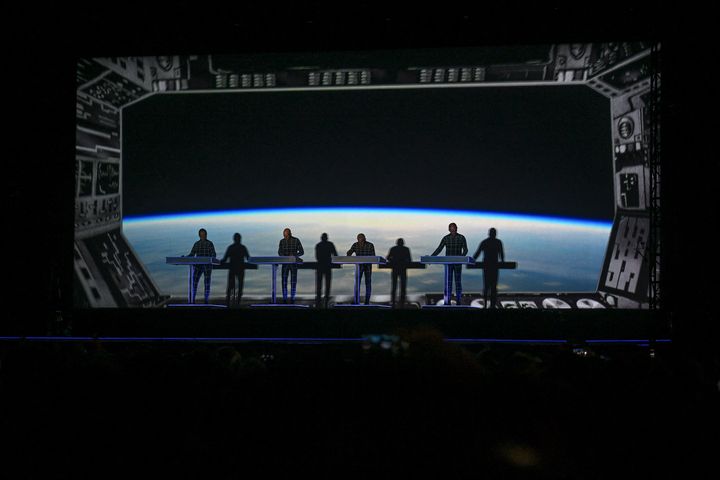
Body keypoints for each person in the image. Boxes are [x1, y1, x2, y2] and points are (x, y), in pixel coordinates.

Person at [431, 222, 468, 305]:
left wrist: (461, 258)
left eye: (454, 228)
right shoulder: (446, 238)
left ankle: (458, 300)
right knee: (449, 282)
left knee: (457, 282)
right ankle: (448, 300)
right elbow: (439, 249)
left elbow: (465, 250)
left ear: (456, 228)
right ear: (449, 229)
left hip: (457, 263)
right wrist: (432, 257)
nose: (453, 230)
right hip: (449, 264)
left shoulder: (461, 237)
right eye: (451, 228)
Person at [473, 228, 505, 309]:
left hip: (487, 266)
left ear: (489, 233)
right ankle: (492, 305)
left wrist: (472, 261)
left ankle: (486, 304)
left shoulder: (485, 242)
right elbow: (501, 254)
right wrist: (502, 262)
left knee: (487, 286)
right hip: (494, 266)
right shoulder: (498, 242)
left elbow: (477, 253)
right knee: (493, 287)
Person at [221, 233, 250, 307]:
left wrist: (218, 262)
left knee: (230, 286)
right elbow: (248, 258)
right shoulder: (243, 247)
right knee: (240, 286)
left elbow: (224, 259)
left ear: (234, 239)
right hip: (240, 269)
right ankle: (238, 302)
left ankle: (228, 302)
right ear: (240, 239)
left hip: (232, 269)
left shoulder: (230, 247)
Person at [188, 228, 216, 304]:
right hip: (198, 266)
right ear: (199, 235)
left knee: (207, 283)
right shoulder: (196, 244)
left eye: (204, 235)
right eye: (202, 235)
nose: (203, 236)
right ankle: (192, 299)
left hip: (207, 266)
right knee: (194, 282)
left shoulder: (210, 243)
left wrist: (212, 259)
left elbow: (213, 254)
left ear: (206, 235)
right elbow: (191, 254)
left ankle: (206, 300)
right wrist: (185, 258)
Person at [346, 233, 375, 305]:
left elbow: (373, 256)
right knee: (357, 283)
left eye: (362, 238)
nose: (361, 239)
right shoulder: (355, 245)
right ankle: (356, 300)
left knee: (367, 283)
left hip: (367, 266)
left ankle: (367, 302)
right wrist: (349, 253)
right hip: (359, 266)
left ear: (365, 238)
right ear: (357, 239)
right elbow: (349, 253)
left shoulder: (370, 245)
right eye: (359, 238)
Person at [278, 228, 304, 304]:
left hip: (293, 264)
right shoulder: (282, 241)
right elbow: (279, 252)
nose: (285, 237)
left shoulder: (296, 240)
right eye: (284, 236)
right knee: (284, 281)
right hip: (285, 264)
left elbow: (302, 252)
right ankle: (285, 298)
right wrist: (285, 257)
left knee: (293, 281)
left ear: (290, 234)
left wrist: (294, 255)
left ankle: (292, 298)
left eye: (287, 235)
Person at [387, 238, 411, 308]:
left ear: (396, 243)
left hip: (395, 269)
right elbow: (409, 260)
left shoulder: (393, 249)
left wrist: (393, 260)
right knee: (403, 286)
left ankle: (393, 301)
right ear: (403, 243)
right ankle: (402, 301)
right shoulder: (406, 249)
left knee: (394, 286)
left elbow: (388, 258)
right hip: (403, 269)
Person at [315, 233, 338, 308]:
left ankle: (318, 298)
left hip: (320, 265)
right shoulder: (330, 244)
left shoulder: (318, 245)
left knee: (319, 283)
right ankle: (326, 297)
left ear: (321, 238)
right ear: (327, 238)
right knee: (327, 283)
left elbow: (317, 257)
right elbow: (335, 254)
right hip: (328, 265)